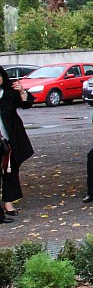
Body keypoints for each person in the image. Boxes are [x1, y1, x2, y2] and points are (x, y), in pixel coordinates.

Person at [0, 65, 34, 222]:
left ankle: (8, 202)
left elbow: (27, 104)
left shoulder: (10, 91)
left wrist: (22, 91)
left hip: (11, 138)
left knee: (10, 171)